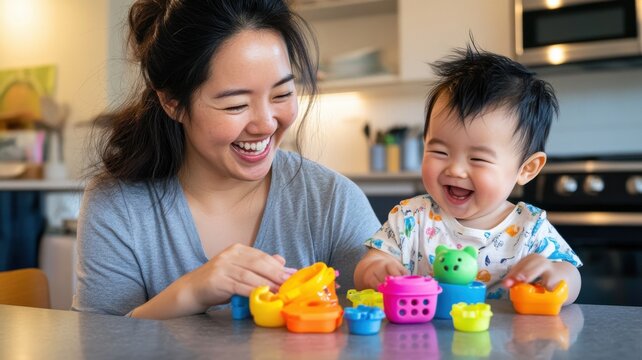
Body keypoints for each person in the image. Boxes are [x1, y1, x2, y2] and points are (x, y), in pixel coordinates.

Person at [72, 0, 380, 319]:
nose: (266, 124)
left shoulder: (331, 200)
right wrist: (190, 293)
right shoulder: (119, 207)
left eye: (282, 95)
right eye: (235, 105)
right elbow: (96, 343)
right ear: (172, 102)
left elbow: (384, 329)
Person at [354, 44, 582, 304]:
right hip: (420, 341)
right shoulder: (410, 218)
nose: (455, 169)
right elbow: (368, 266)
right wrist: (374, 270)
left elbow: (571, 277)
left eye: (478, 159)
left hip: (506, 343)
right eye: (439, 152)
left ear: (526, 169)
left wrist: (554, 274)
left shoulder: (530, 229)